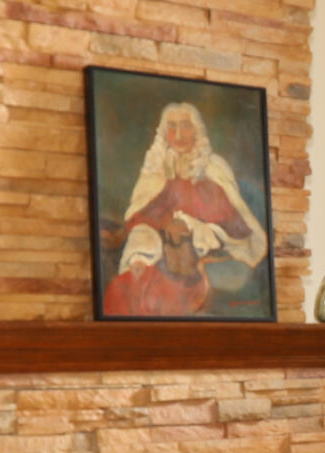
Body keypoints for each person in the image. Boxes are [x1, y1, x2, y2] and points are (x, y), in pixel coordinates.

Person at [104, 100, 269, 317]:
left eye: (185, 126)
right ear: (164, 132)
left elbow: (233, 225)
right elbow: (141, 219)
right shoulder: (155, 169)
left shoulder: (214, 168)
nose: (179, 135)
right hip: (156, 258)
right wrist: (139, 256)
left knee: (173, 295)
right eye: (172, 127)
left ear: (196, 131)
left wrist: (193, 227)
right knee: (125, 288)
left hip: (192, 261)